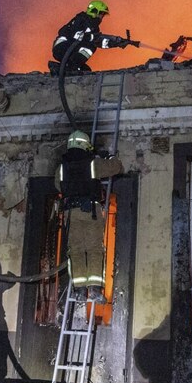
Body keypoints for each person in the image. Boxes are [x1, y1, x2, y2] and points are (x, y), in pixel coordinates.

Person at [55, 130, 123, 303]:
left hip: (71, 214)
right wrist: (109, 157)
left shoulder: (61, 167)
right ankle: (94, 289)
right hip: (90, 211)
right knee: (94, 249)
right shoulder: (92, 163)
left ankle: (79, 291)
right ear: (85, 145)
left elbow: (58, 185)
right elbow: (116, 167)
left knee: (75, 250)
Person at [49, 0, 131, 76]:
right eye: (100, 14)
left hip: (69, 49)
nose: (101, 17)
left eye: (102, 15)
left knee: (85, 70)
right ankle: (69, 68)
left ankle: (61, 68)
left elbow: (99, 41)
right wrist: (97, 38)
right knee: (91, 46)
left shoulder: (93, 26)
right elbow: (77, 36)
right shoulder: (81, 19)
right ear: (94, 11)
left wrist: (116, 43)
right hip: (62, 47)